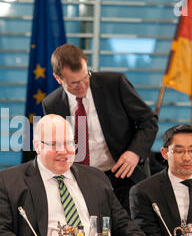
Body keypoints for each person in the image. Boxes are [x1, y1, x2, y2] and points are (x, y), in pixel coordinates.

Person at [0, 115, 144, 236]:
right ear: (37, 146)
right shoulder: (9, 181)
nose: (63, 151)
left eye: (68, 143)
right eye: (54, 144)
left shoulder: (96, 178)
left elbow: (122, 224)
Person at [42, 44, 158, 214]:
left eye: (85, 77)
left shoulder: (114, 84)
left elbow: (149, 121)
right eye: (74, 83)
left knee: (129, 234)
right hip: (82, 181)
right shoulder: (52, 104)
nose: (82, 86)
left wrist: (134, 152)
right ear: (58, 78)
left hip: (123, 175)